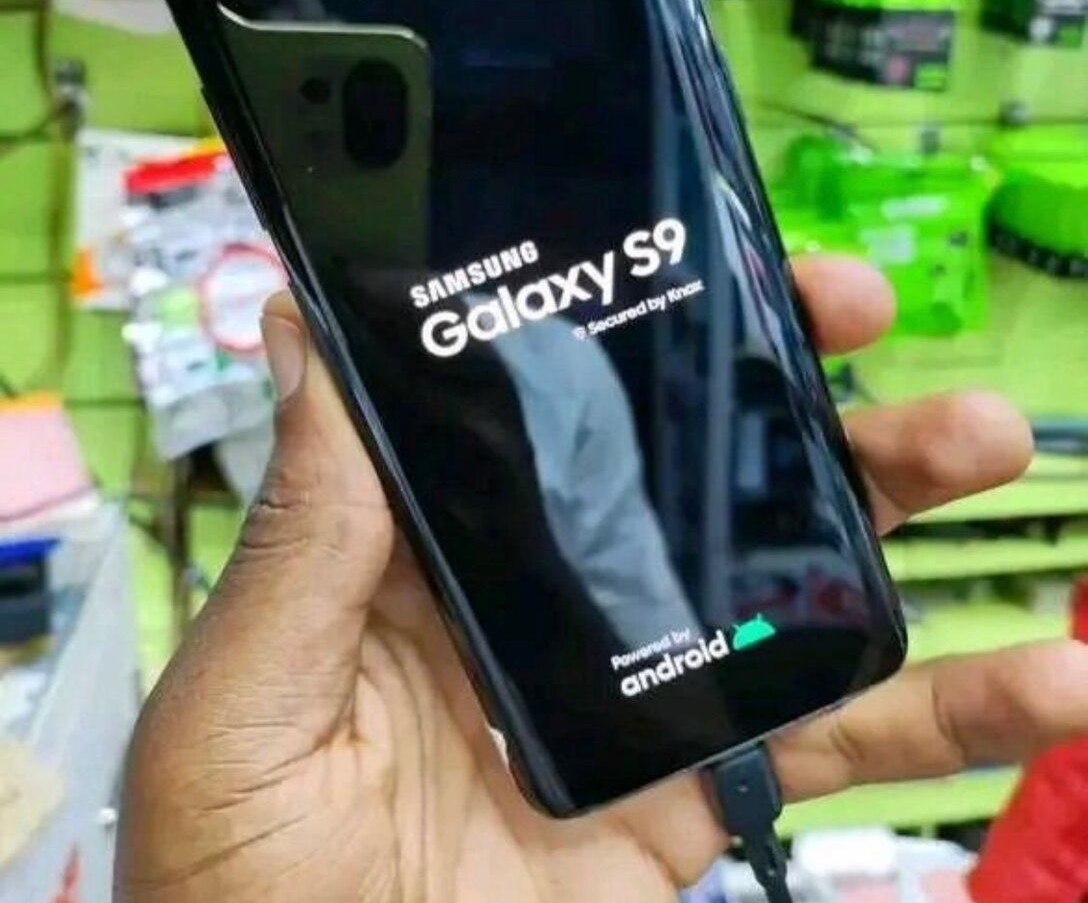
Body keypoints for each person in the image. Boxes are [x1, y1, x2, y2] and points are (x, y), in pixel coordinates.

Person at [115, 257, 1088, 903]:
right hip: (501, 756)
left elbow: (617, 539)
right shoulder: (416, 353)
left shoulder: (556, 349)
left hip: (605, 755)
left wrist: (701, 687)